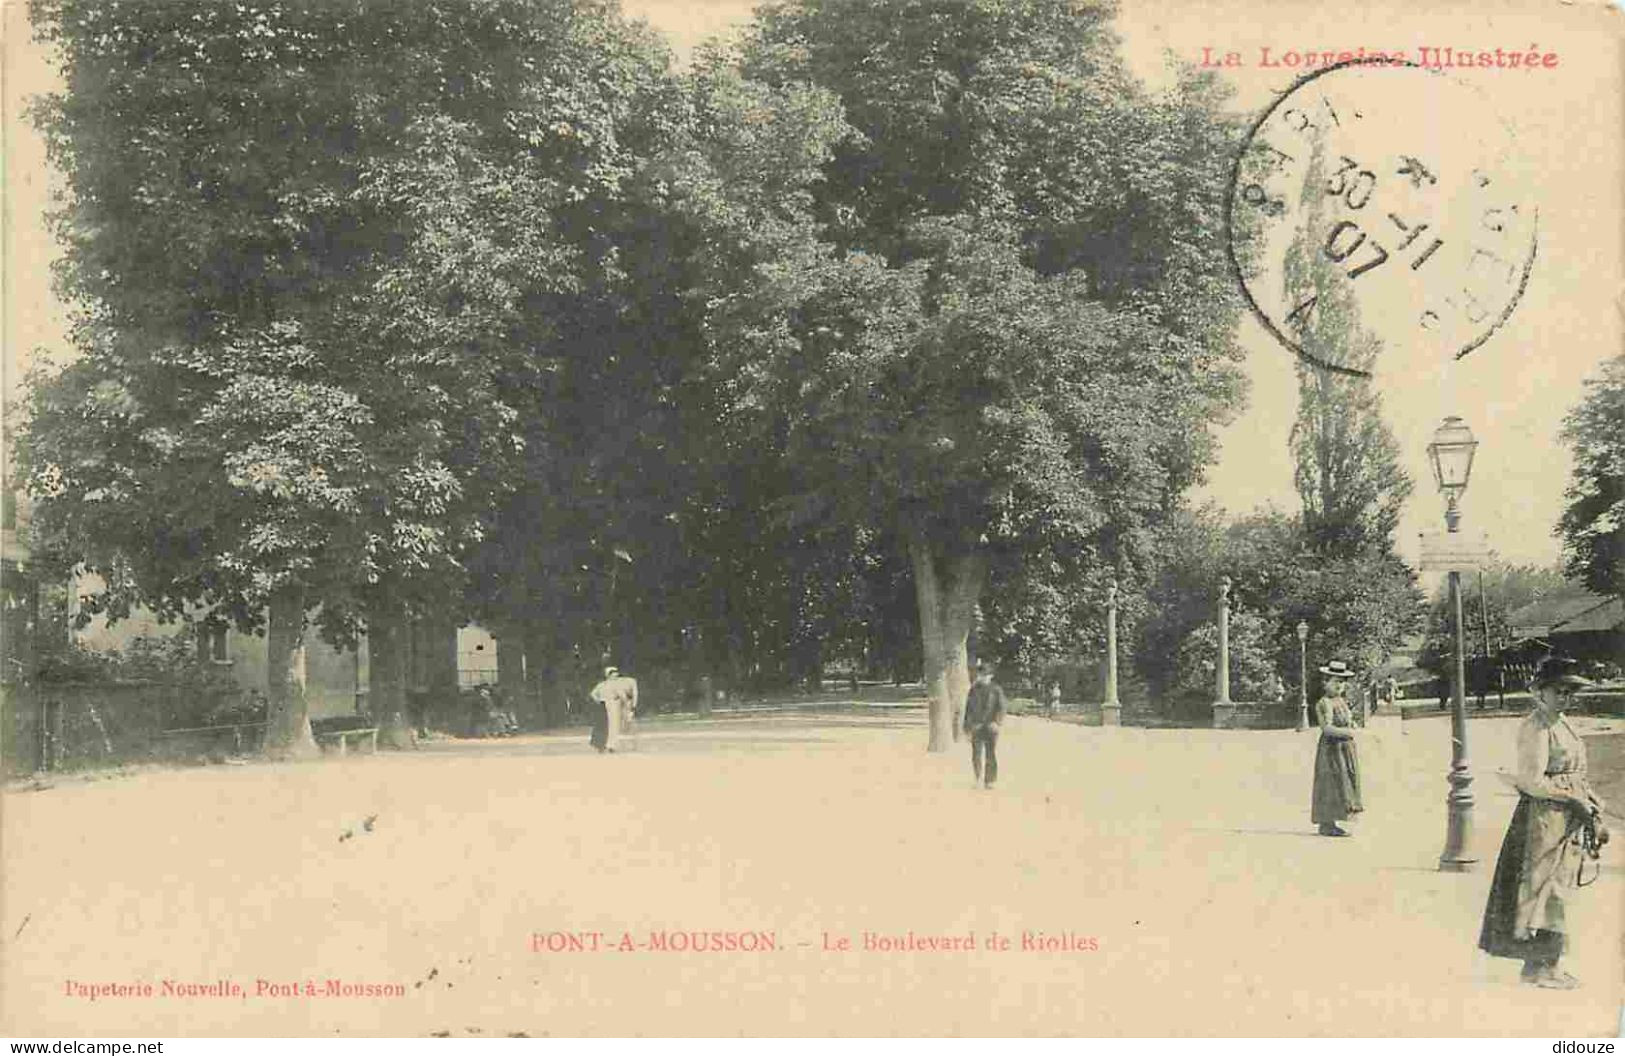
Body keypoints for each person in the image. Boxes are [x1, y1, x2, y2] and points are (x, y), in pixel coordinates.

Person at [1478, 656, 1609, 989]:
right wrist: (1573, 799)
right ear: (1540, 692)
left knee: (1561, 888)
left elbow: (1574, 773)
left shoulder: (1563, 724)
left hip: (1568, 817)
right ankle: (1538, 966)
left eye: (1570, 692)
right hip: (1544, 817)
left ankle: (1548, 963)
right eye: (1559, 691)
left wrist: (1591, 799)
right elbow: (1532, 781)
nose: (1565, 698)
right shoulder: (1535, 727)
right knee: (1542, 889)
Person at [1311, 659, 1363, 837]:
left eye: (1342, 682)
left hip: (1344, 748)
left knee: (1344, 781)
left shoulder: (1341, 701)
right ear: (1326, 682)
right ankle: (1327, 823)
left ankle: (1335, 820)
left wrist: (1353, 724)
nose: (1339, 686)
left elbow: (1347, 719)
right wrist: (1348, 732)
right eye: (1335, 682)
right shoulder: (1324, 703)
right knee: (1331, 783)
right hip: (1331, 749)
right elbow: (1327, 728)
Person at [962, 658, 1008, 790]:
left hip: (990, 726)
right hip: (976, 726)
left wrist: (997, 722)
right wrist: (967, 727)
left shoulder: (996, 690)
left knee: (990, 753)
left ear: (991, 676)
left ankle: (990, 780)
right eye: (981, 675)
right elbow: (968, 709)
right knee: (976, 754)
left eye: (985, 675)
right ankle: (977, 778)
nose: (983, 678)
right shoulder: (974, 690)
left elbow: (1002, 708)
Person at [589, 665, 638, 753]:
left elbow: (593, 694)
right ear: (610, 675)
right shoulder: (615, 685)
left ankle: (602, 745)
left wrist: (599, 701)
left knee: (603, 726)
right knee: (613, 726)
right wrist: (628, 705)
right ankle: (611, 745)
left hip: (603, 705)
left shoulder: (602, 684)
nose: (615, 675)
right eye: (613, 674)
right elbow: (622, 695)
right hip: (614, 705)